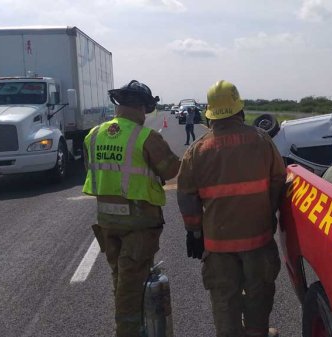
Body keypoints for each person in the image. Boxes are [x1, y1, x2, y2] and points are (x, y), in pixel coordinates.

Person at [177, 80, 286, 337]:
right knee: (258, 294)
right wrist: (267, 211)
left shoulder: (197, 151)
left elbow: (186, 196)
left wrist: (194, 231)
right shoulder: (262, 141)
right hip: (258, 238)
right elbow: (278, 180)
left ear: (210, 114)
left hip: (218, 244)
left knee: (224, 300)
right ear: (240, 110)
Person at [82, 80, 180, 337]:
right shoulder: (146, 137)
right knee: (131, 287)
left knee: (121, 281)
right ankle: (127, 331)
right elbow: (171, 170)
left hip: (107, 222)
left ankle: (134, 327)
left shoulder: (93, 135)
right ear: (140, 107)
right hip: (139, 223)